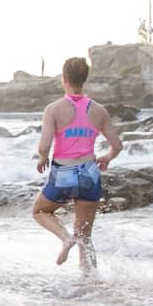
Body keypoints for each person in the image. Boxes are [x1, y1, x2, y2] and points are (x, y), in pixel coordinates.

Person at [33, 57, 124, 269]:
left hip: (64, 172)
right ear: (84, 79)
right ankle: (90, 282)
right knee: (85, 236)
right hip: (90, 174)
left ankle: (65, 238)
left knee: (40, 211)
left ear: (64, 79)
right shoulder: (99, 110)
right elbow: (117, 144)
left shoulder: (53, 109)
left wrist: (43, 157)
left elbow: (44, 145)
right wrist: (107, 157)